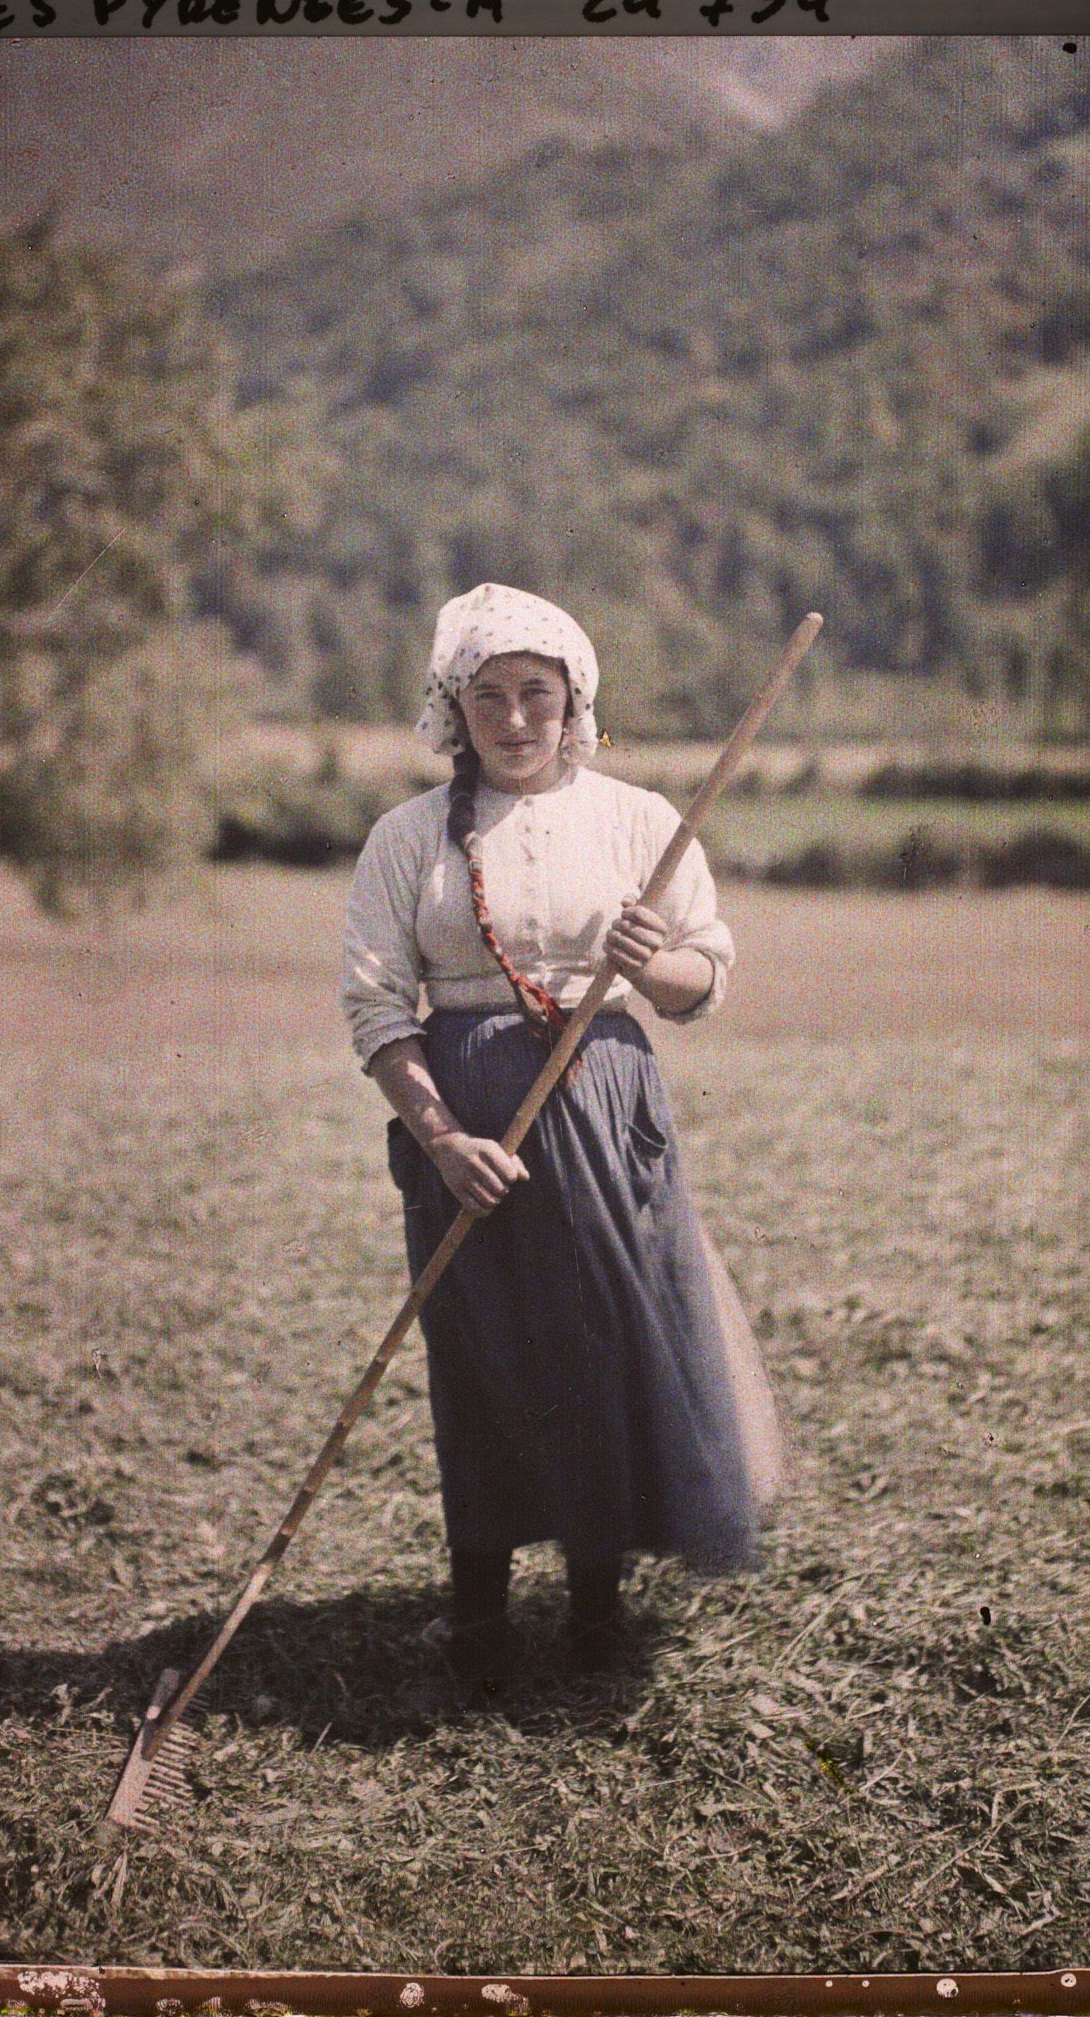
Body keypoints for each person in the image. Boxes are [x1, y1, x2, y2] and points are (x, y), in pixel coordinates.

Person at [339, 582, 783, 1696]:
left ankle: (595, 1612)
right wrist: (440, 1135)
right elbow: (378, 1007)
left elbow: (701, 980)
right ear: (455, 710)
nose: (514, 718)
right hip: (468, 1126)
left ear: (573, 702)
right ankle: (479, 1619)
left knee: (600, 1348)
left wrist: (647, 960)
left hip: (605, 1114)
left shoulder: (638, 819)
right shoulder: (404, 840)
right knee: (481, 1351)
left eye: (536, 694)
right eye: (487, 696)